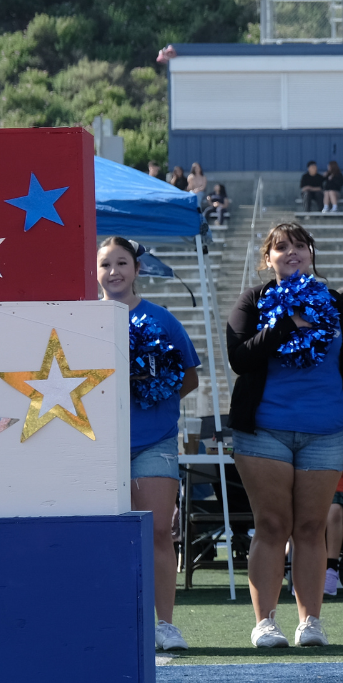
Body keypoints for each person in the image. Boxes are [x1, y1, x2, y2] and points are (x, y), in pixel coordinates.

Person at [226, 223, 343, 648]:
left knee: (310, 526)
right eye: (281, 247)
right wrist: (286, 325)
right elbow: (240, 357)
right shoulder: (253, 300)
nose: (292, 252)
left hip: (325, 432)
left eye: (300, 245)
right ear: (267, 258)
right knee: (272, 524)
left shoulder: (337, 304)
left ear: (311, 253)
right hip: (264, 430)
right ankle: (265, 622)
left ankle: (311, 622)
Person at [99, 237, 202, 652]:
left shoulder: (162, 319)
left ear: (137, 269)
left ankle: (165, 624)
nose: (114, 272)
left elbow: (189, 377)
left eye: (122, 263)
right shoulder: (83, 320)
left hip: (153, 442)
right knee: (106, 535)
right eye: (105, 264)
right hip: (98, 444)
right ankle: (114, 622)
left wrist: (152, 397)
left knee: (159, 530)